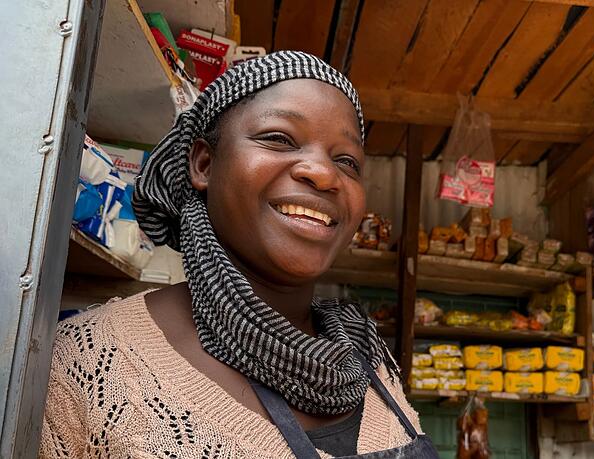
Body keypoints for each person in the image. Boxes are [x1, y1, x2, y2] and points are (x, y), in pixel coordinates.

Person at [39, 51, 439, 458]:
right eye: (279, 139)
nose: (323, 173)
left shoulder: (366, 356)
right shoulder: (84, 367)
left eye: (347, 161)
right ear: (204, 163)